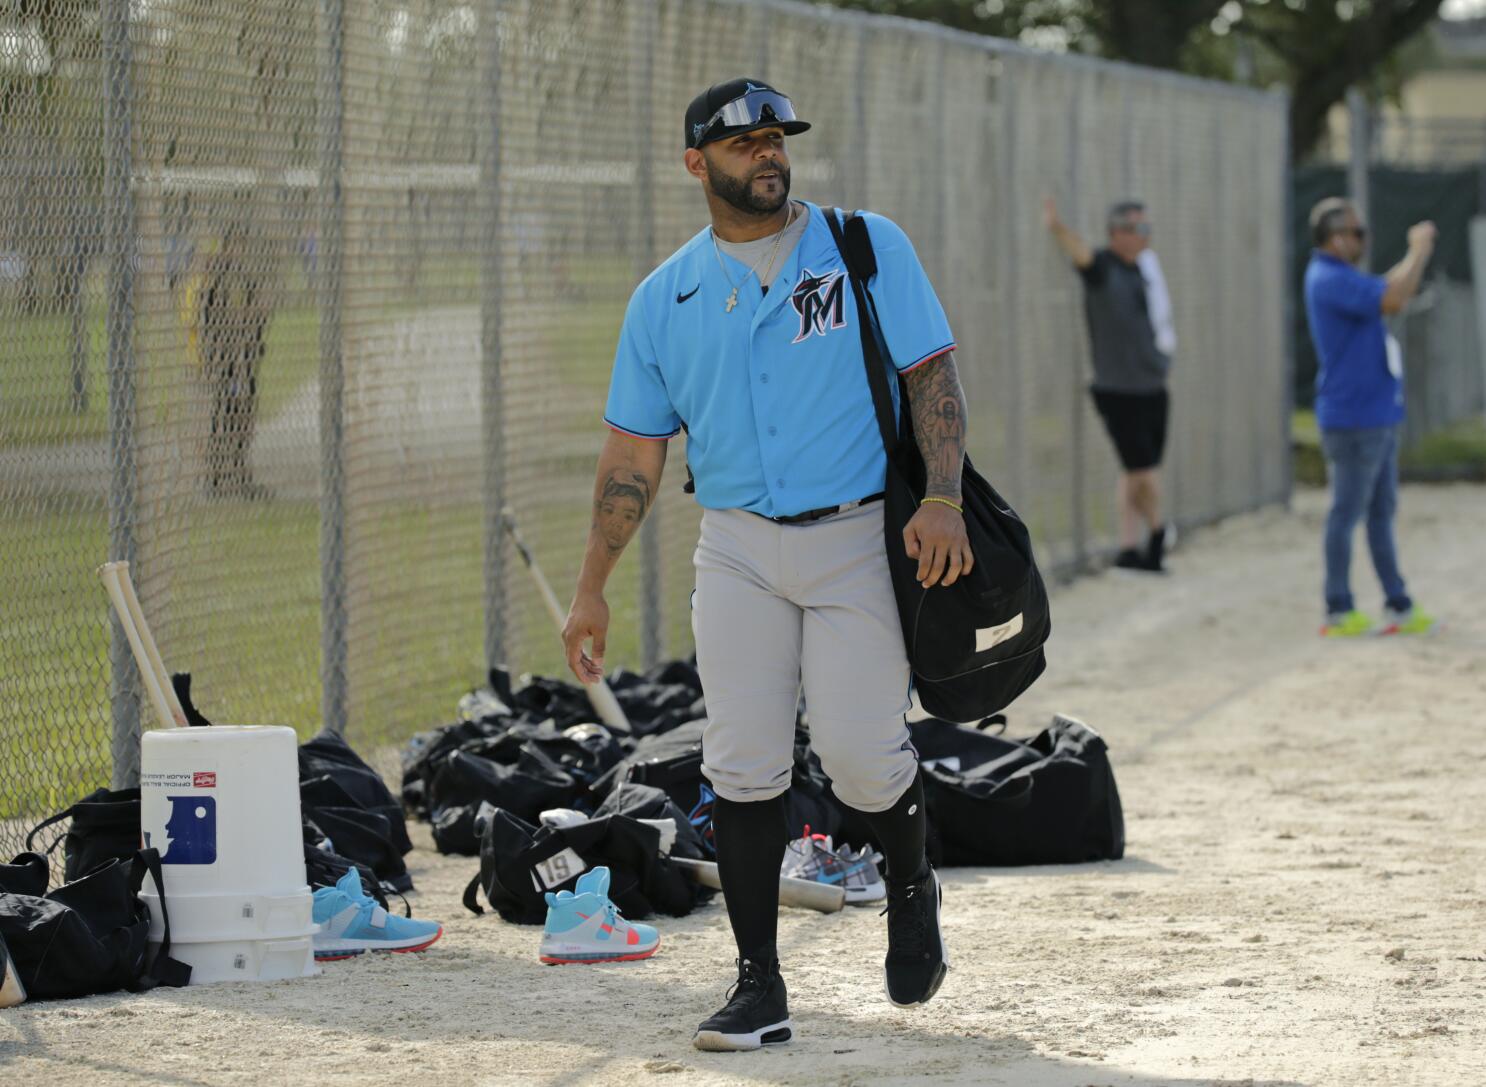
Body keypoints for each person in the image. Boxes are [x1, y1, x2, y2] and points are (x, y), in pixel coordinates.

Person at [561, 78, 969, 1051]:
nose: (767, 152)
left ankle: (910, 882)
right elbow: (632, 460)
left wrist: (945, 498)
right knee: (740, 761)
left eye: (776, 136)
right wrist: (589, 587)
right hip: (736, 543)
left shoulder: (864, 245)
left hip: (854, 535)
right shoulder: (665, 300)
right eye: (743, 142)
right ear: (696, 162)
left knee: (864, 756)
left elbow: (932, 378)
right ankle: (759, 986)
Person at [1303, 197, 1436, 637]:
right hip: (1353, 420)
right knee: (1345, 514)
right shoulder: (1328, 278)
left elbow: (1390, 289)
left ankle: (1397, 602)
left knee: (1380, 515)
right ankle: (1338, 608)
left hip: (1375, 416)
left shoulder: (1344, 278)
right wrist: (1418, 250)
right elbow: (1395, 296)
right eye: (1357, 233)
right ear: (1336, 238)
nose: (1363, 239)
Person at [1043, 196, 1176, 572]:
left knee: (1135, 471)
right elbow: (1081, 254)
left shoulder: (1145, 271)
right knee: (1144, 469)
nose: (1147, 237)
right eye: (1140, 229)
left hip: (1153, 386)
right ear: (1118, 233)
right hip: (1119, 392)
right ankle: (1157, 536)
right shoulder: (1103, 269)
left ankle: (1129, 548)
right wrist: (1056, 227)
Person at [199, 225, 272, 499]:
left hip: (245, 360)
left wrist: (254, 327)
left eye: (242, 245)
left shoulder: (246, 277)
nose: (238, 251)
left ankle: (241, 473)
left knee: (244, 418)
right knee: (223, 416)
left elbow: (257, 316)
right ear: (226, 246)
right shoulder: (218, 279)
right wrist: (214, 354)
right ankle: (216, 477)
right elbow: (208, 318)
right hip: (227, 362)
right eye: (235, 245)